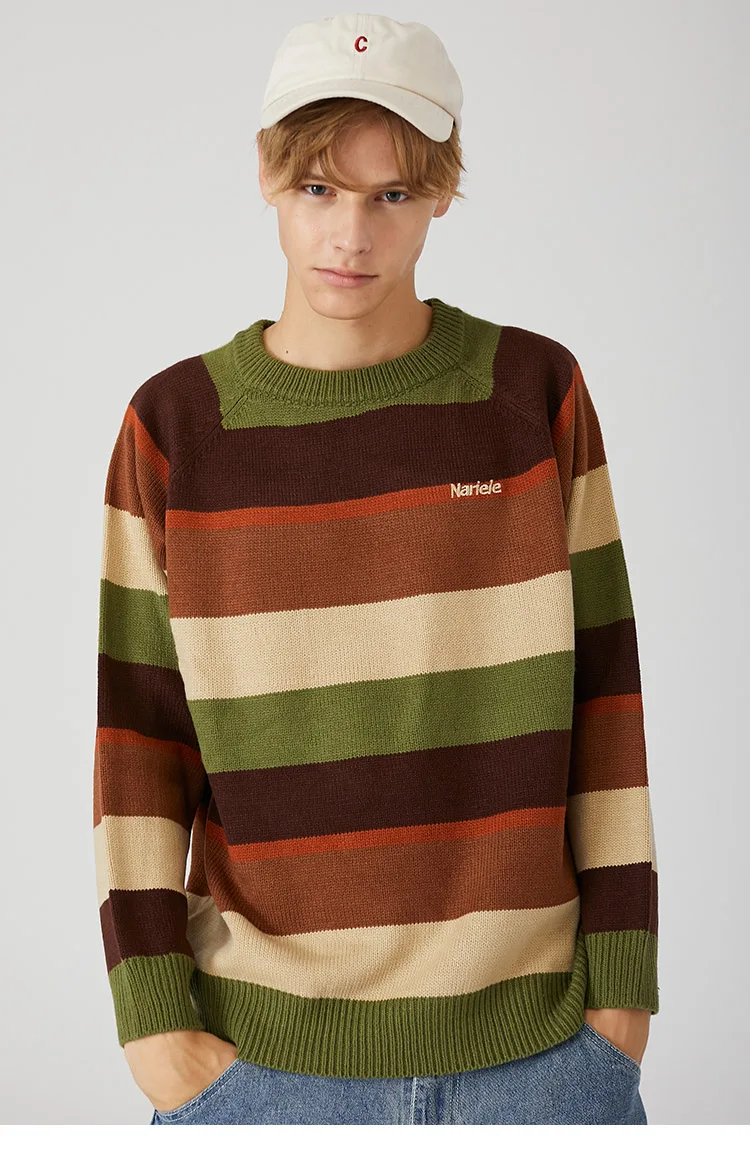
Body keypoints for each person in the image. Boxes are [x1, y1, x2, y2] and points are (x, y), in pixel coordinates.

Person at [92, 13, 659, 1126]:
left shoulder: (532, 394)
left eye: (391, 193)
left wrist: (623, 999)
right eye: (319, 189)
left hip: (541, 1057)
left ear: (441, 192)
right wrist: (154, 1025)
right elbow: (138, 744)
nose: (350, 234)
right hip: (259, 1066)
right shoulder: (176, 428)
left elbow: (607, 697)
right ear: (267, 175)